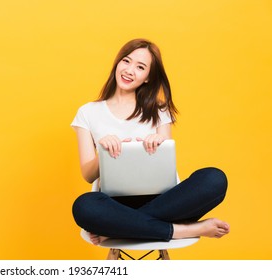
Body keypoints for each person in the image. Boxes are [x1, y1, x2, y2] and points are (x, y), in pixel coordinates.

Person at [71, 38, 230, 245]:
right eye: (126, 61)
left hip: (162, 200)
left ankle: (122, 229)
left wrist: (159, 143)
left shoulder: (159, 110)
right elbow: (87, 174)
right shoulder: (88, 112)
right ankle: (180, 230)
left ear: (147, 77)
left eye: (140, 67)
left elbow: (167, 169)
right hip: (112, 204)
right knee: (84, 206)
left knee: (214, 179)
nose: (129, 70)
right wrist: (103, 154)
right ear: (117, 63)